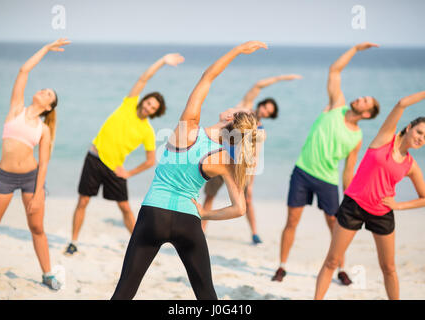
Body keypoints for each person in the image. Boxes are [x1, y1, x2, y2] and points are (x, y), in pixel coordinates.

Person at [111, 41, 267, 300]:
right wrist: (204, 213)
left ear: (229, 119)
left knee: (125, 289)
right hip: (189, 222)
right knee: (207, 294)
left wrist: (237, 51)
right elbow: (240, 209)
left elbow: (208, 76)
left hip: (154, 214)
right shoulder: (226, 161)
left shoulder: (189, 127)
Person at [272, 42, 381, 284]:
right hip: (302, 172)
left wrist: (349, 197)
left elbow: (349, 170)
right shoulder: (336, 106)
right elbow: (334, 70)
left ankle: (340, 267)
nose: (360, 99)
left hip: (328, 181)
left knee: (334, 224)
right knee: (291, 221)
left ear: (367, 114)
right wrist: (355, 49)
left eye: (365, 101)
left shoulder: (357, 137)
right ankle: (281, 266)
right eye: (362, 97)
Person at [314, 88, 425, 300]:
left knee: (389, 268)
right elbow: (402, 102)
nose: (421, 138)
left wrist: (398, 205)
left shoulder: (411, 166)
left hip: (382, 213)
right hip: (353, 206)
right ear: (409, 128)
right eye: (419, 132)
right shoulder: (385, 139)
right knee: (332, 260)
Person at [64, 53, 184, 255]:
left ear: (155, 112)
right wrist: (162, 61)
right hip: (94, 159)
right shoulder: (128, 104)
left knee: (126, 208)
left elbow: (150, 161)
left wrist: (128, 173)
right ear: (143, 100)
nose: (148, 107)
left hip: (115, 168)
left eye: (153, 107)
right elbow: (143, 79)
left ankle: (139, 243)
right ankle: (74, 241)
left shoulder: (147, 131)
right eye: (148, 102)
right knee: (83, 201)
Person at [0, 38, 70, 290]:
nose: (43, 91)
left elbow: (43, 164)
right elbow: (24, 70)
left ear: (48, 106)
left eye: (48, 94)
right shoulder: (16, 109)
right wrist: (45, 48)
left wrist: (38, 194)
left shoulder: (44, 129)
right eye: (44, 89)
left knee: (36, 227)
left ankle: (47, 274)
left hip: (31, 179)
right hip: (4, 177)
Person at [201, 74, 302, 244]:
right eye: (265, 107)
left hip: (238, 166)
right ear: (261, 104)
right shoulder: (244, 109)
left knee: (247, 200)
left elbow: (253, 158)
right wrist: (281, 78)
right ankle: (202, 229)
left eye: (268, 112)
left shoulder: (260, 131)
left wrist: (251, 182)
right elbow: (258, 85)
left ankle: (254, 233)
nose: (264, 111)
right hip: (220, 158)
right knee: (210, 195)